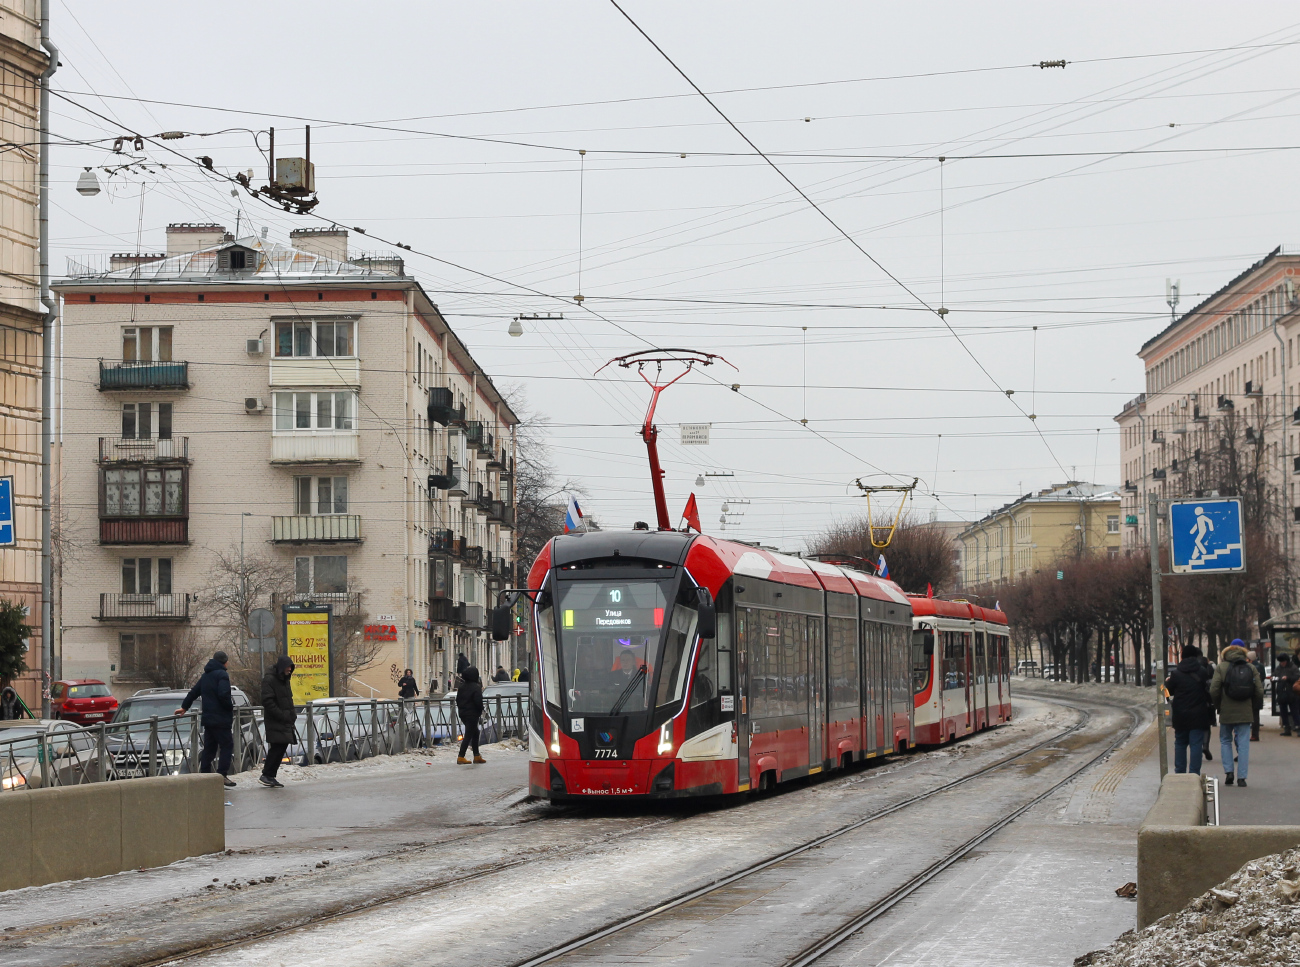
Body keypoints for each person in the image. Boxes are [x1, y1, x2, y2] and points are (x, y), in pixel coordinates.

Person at [177, 651, 236, 788]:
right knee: (227, 745)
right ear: (225, 662)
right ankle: (222, 775)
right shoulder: (222, 675)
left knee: (209, 747)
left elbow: (193, 692)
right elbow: (223, 694)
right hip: (221, 719)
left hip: (208, 719)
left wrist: (184, 707)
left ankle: (205, 775)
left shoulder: (206, 676)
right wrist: (229, 707)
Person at [1210, 640, 1264, 788]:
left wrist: (1218, 705)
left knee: (1225, 740)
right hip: (1245, 711)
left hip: (1226, 710)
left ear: (1226, 654)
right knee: (1244, 743)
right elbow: (1259, 691)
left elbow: (1214, 689)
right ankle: (1242, 777)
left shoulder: (1221, 667)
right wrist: (1253, 706)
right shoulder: (1251, 667)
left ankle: (1229, 772)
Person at [1165, 645, 1212, 774]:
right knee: (1196, 744)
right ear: (1196, 656)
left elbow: (1167, 692)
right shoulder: (1202, 671)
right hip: (1199, 714)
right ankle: (1194, 773)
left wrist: (1167, 683)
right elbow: (1208, 690)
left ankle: (1180, 772)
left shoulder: (1176, 673)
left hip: (1181, 715)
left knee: (1180, 743)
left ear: (1182, 656)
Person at [259, 656, 296, 789]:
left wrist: (292, 715)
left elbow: (288, 699)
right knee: (277, 747)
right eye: (288, 667)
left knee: (280, 746)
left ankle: (270, 775)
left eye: (291, 667)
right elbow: (267, 701)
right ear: (281, 667)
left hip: (284, 719)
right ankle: (267, 775)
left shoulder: (284, 679)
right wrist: (282, 715)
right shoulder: (270, 680)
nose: (289, 669)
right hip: (276, 719)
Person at [456, 666, 485, 765]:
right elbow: (478, 701)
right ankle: (461, 756)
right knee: (469, 735)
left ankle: (476, 755)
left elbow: (458, 700)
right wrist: (481, 709)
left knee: (475, 733)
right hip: (472, 713)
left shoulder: (462, 687)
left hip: (463, 713)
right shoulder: (476, 687)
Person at [1197, 652, 1216, 762]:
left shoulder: (1195, 674)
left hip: (1196, 705)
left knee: (1196, 727)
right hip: (1209, 706)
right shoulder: (1210, 674)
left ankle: (1198, 747)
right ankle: (1205, 745)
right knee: (1206, 727)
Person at [1276, 654, 1300, 737]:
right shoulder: (1279, 668)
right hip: (1282, 692)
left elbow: (1297, 677)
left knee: (1295, 711)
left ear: (1286, 661)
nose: (1282, 663)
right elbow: (1275, 674)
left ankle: (1298, 727)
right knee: (1283, 711)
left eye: (1283, 662)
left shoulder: (1293, 667)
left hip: (1292, 692)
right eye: (1281, 662)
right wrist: (1273, 678)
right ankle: (1287, 728)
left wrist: (1288, 678)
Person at [1247, 649, 1266, 742]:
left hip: (1249, 693)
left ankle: (1249, 733)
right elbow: (1263, 677)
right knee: (1256, 714)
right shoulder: (1261, 666)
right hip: (1258, 693)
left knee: (1249, 713)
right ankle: (1255, 734)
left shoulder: (1248, 667)